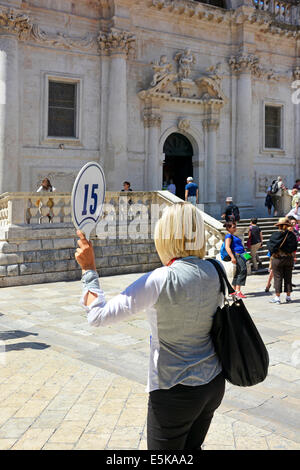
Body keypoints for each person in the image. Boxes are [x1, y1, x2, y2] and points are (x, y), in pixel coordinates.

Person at [75, 202, 225, 450]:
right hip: (214, 383)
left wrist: (89, 269)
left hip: (174, 388)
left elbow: (98, 316)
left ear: (164, 235)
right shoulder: (216, 269)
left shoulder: (160, 279)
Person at [267, 217, 298, 304]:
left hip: (278, 259)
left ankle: (277, 297)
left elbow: (270, 246)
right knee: (288, 277)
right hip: (289, 258)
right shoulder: (292, 235)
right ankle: (288, 297)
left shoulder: (275, 235)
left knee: (278, 277)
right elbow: (294, 247)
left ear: (279, 226)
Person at [223, 221, 248, 299]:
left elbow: (240, 246)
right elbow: (227, 247)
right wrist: (232, 257)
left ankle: (233, 291)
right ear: (228, 228)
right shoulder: (228, 236)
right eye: (233, 227)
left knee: (238, 272)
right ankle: (238, 291)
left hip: (242, 254)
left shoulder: (234, 236)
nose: (235, 228)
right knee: (242, 270)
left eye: (235, 226)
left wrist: (247, 256)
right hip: (237, 255)